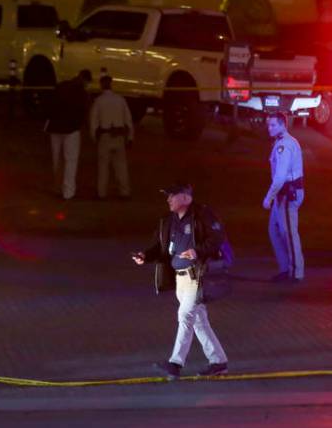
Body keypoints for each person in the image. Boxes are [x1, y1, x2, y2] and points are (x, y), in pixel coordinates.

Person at [132, 183, 229, 380]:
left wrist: (197, 251)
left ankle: (175, 363)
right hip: (180, 279)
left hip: (197, 276)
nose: (168, 200)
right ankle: (218, 362)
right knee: (199, 322)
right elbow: (160, 246)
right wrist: (145, 255)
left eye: (172, 196)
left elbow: (218, 238)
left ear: (185, 197)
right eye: (167, 196)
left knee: (185, 316)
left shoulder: (202, 215)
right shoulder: (169, 221)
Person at [262, 112, 305, 283]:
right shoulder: (283, 142)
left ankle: (295, 272)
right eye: (268, 125)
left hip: (287, 194)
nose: (269, 128)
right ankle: (286, 268)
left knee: (289, 233)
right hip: (284, 194)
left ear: (282, 125)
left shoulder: (284, 145)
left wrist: (268, 198)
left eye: (273, 125)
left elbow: (280, 177)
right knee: (274, 231)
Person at [44, 73, 89, 200]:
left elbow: (49, 105)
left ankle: (57, 187)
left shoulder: (60, 87)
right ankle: (68, 192)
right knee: (71, 161)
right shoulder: (82, 93)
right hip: (71, 129)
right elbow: (82, 111)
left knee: (56, 159)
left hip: (55, 126)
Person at [89, 74, 133, 199]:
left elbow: (93, 122)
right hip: (119, 136)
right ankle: (125, 192)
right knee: (121, 166)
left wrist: (94, 138)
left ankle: (101, 193)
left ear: (101, 85)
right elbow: (128, 120)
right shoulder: (120, 99)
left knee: (103, 167)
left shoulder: (98, 101)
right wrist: (130, 138)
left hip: (105, 136)